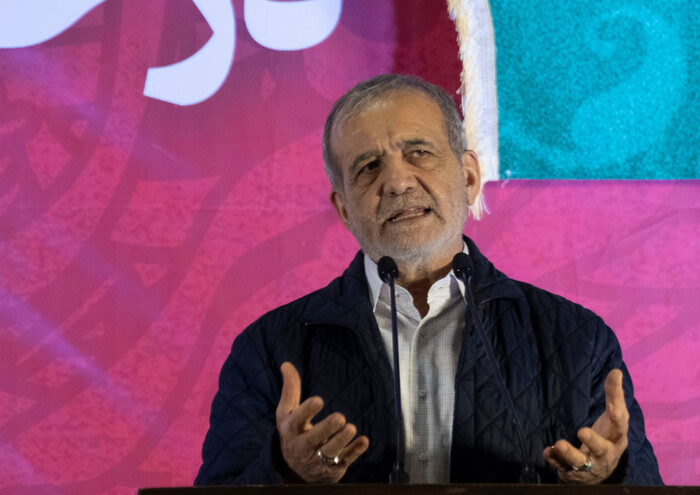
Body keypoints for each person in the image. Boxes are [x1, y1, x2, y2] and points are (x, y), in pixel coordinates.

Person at [194, 74, 662, 485]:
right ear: (344, 209)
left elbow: (642, 491)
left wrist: (608, 477)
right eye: (368, 167)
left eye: (419, 153)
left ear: (469, 177)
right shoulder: (269, 349)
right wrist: (286, 471)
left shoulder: (576, 339)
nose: (397, 182)